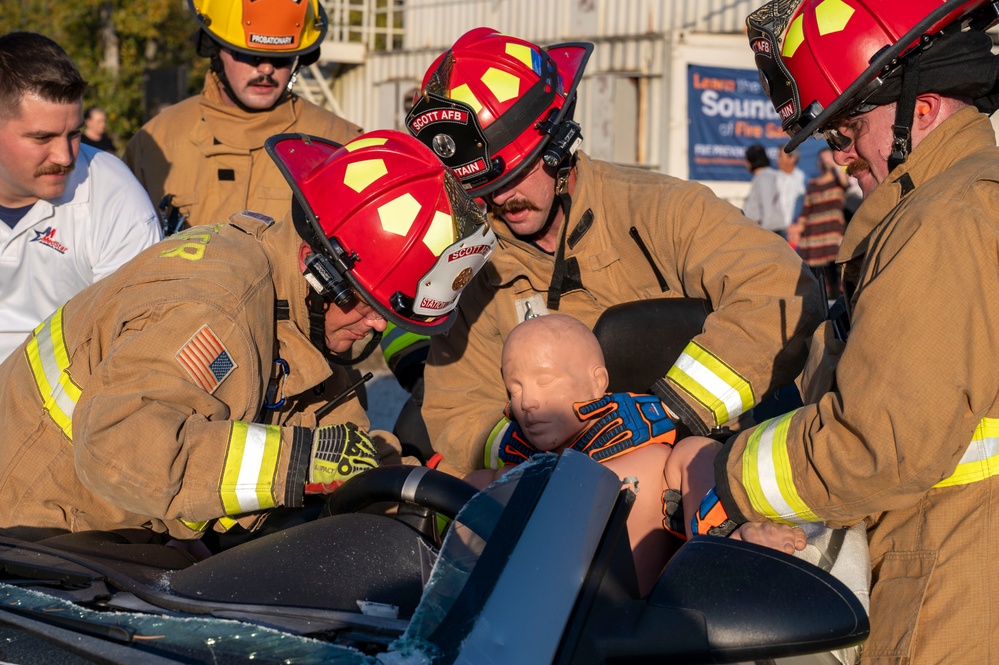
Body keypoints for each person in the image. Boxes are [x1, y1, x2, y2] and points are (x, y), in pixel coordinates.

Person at [0, 129, 496, 544]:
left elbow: (343, 445)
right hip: (31, 536)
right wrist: (301, 462)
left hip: (102, 533)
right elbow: (120, 447)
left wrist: (428, 496)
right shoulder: (221, 308)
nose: (376, 328)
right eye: (372, 306)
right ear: (320, 268)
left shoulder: (299, 310)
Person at [705, 2, 999, 662]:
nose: (837, 158)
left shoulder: (940, 223)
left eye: (844, 133)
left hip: (950, 603)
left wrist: (726, 470)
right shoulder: (975, 196)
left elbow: (876, 448)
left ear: (919, 109)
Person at [407, 27, 825, 477]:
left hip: (699, 475)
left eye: (517, 172)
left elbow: (781, 292)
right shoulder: (475, 274)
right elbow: (457, 408)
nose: (502, 199)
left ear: (558, 142)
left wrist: (671, 408)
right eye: (483, 187)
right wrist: (519, 446)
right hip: (560, 499)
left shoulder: (661, 210)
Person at [466, 314, 807, 595]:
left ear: (598, 382)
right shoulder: (512, 470)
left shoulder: (653, 457)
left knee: (693, 451)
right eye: (515, 389)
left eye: (545, 381)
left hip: (649, 630)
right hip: (544, 636)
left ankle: (727, 539)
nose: (527, 402)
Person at [123, 0, 362, 232]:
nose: (267, 69)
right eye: (250, 55)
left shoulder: (340, 144)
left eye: (282, 58)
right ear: (212, 48)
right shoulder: (154, 143)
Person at [0, 32, 161, 364]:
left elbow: (136, 349)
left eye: (74, 133)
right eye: (42, 137)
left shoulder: (114, 197)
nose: (64, 156)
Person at [791, 148, 848, 299]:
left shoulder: (838, 180)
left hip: (831, 231)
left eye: (826, 158)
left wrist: (834, 165)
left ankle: (837, 301)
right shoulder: (813, 184)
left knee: (833, 271)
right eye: (821, 159)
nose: (823, 162)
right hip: (814, 233)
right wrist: (797, 229)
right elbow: (806, 210)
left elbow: (845, 182)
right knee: (816, 274)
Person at [741, 143, 784, 232]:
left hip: (766, 231)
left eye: (746, 160)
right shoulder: (763, 176)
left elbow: (768, 208)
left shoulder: (765, 178)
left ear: (751, 160)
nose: (745, 163)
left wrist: (764, 235)